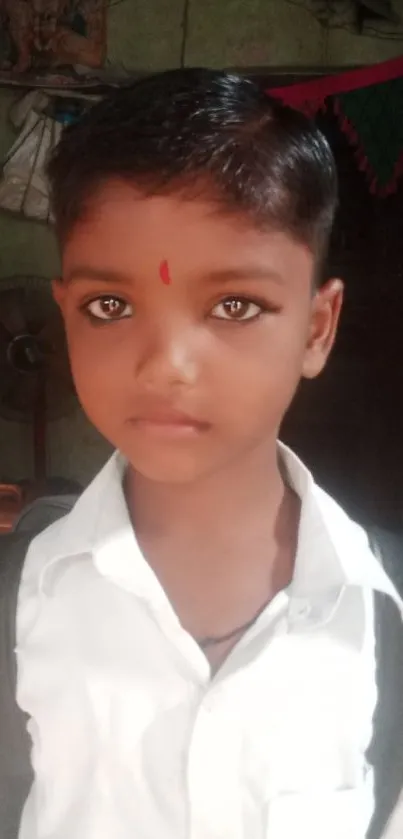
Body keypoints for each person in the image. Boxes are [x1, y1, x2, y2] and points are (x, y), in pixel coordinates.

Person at [15, 68, 401, 839]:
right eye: (110, 305)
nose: (165, 365)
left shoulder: (384, 615)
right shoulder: (19, 600)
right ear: (66, 314)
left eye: (234, 305)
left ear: (317, 328)